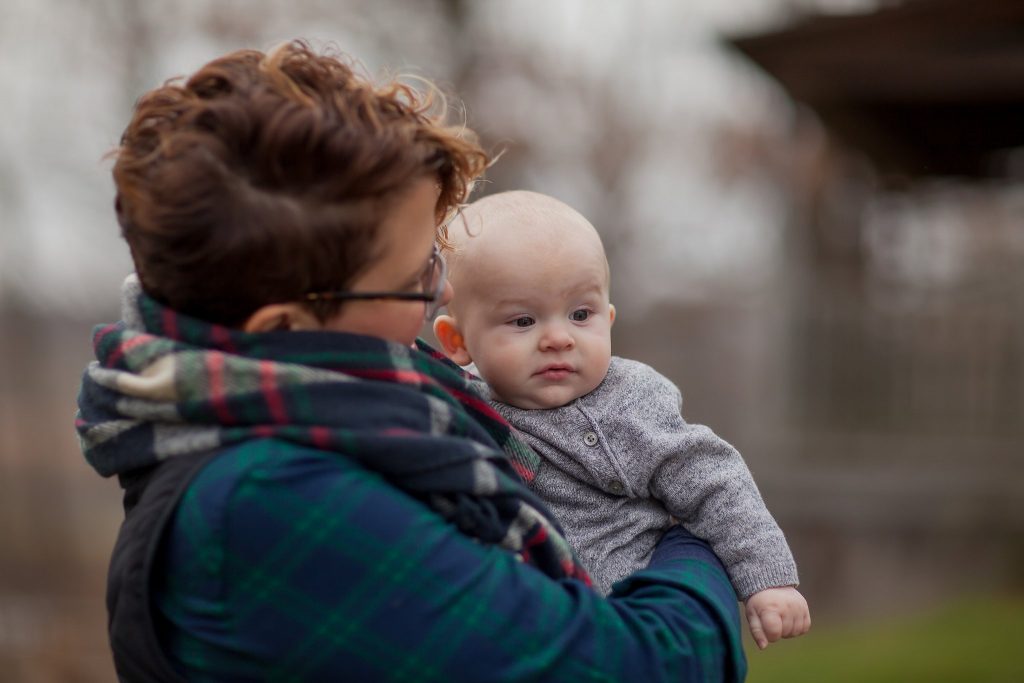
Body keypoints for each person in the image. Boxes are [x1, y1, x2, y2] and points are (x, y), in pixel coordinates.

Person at [75, 41, 747, 681]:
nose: (443, 290)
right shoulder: (271, 501)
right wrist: (687, 541)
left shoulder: (346, 423)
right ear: (284, 327)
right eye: (416, 273)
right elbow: (643, 666)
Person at [432, 190, 811, 650]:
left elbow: (713, 480)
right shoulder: (456, 404)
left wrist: (766, 579)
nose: (557, 338)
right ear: (457, 342)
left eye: (580, 315)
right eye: (522, 321)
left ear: (607, 320)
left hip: (627, 608)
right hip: (525, 622)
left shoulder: (627, 402)